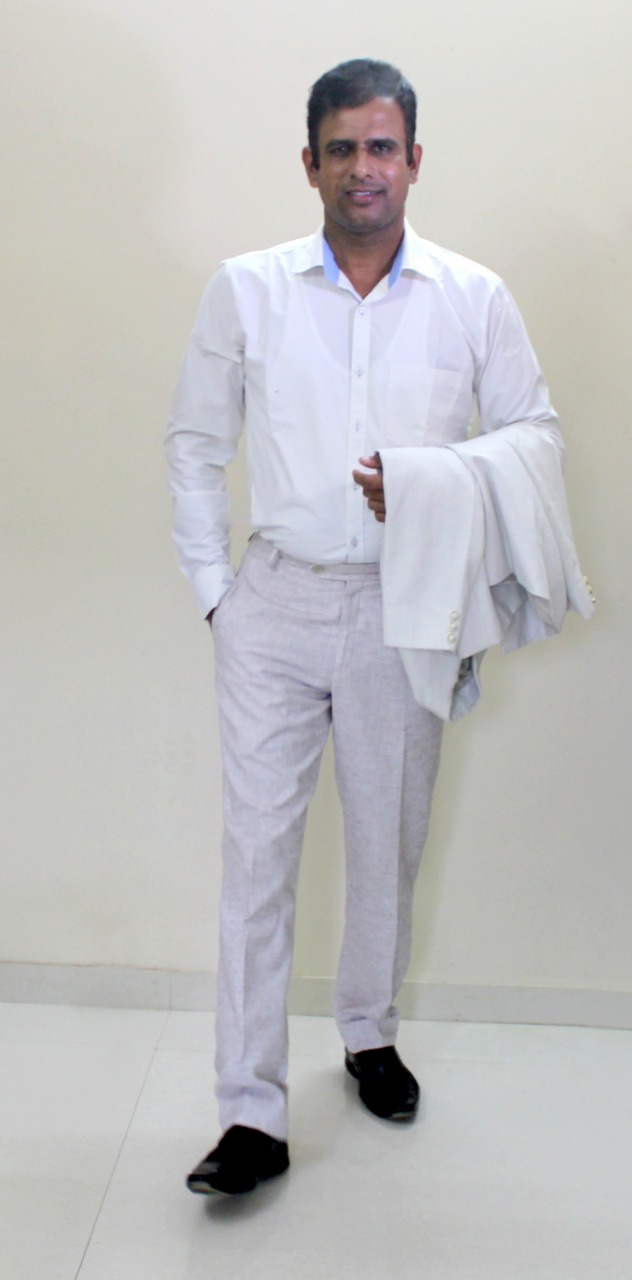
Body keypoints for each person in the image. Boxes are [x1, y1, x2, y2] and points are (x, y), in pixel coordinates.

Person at [165, 57, 562, 1197]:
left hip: (406, 601)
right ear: (310, 164)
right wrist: (218, 595)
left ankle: (368, 1033)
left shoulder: (473, 296)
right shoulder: (245, 289)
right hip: (275, 600)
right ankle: (250, 1111)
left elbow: (534, 435)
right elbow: (194, 443)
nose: (362, 168)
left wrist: (430, 484)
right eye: (340, 148)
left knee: (388, 837)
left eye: (381, 146)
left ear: (414, 160)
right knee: (257, 856)